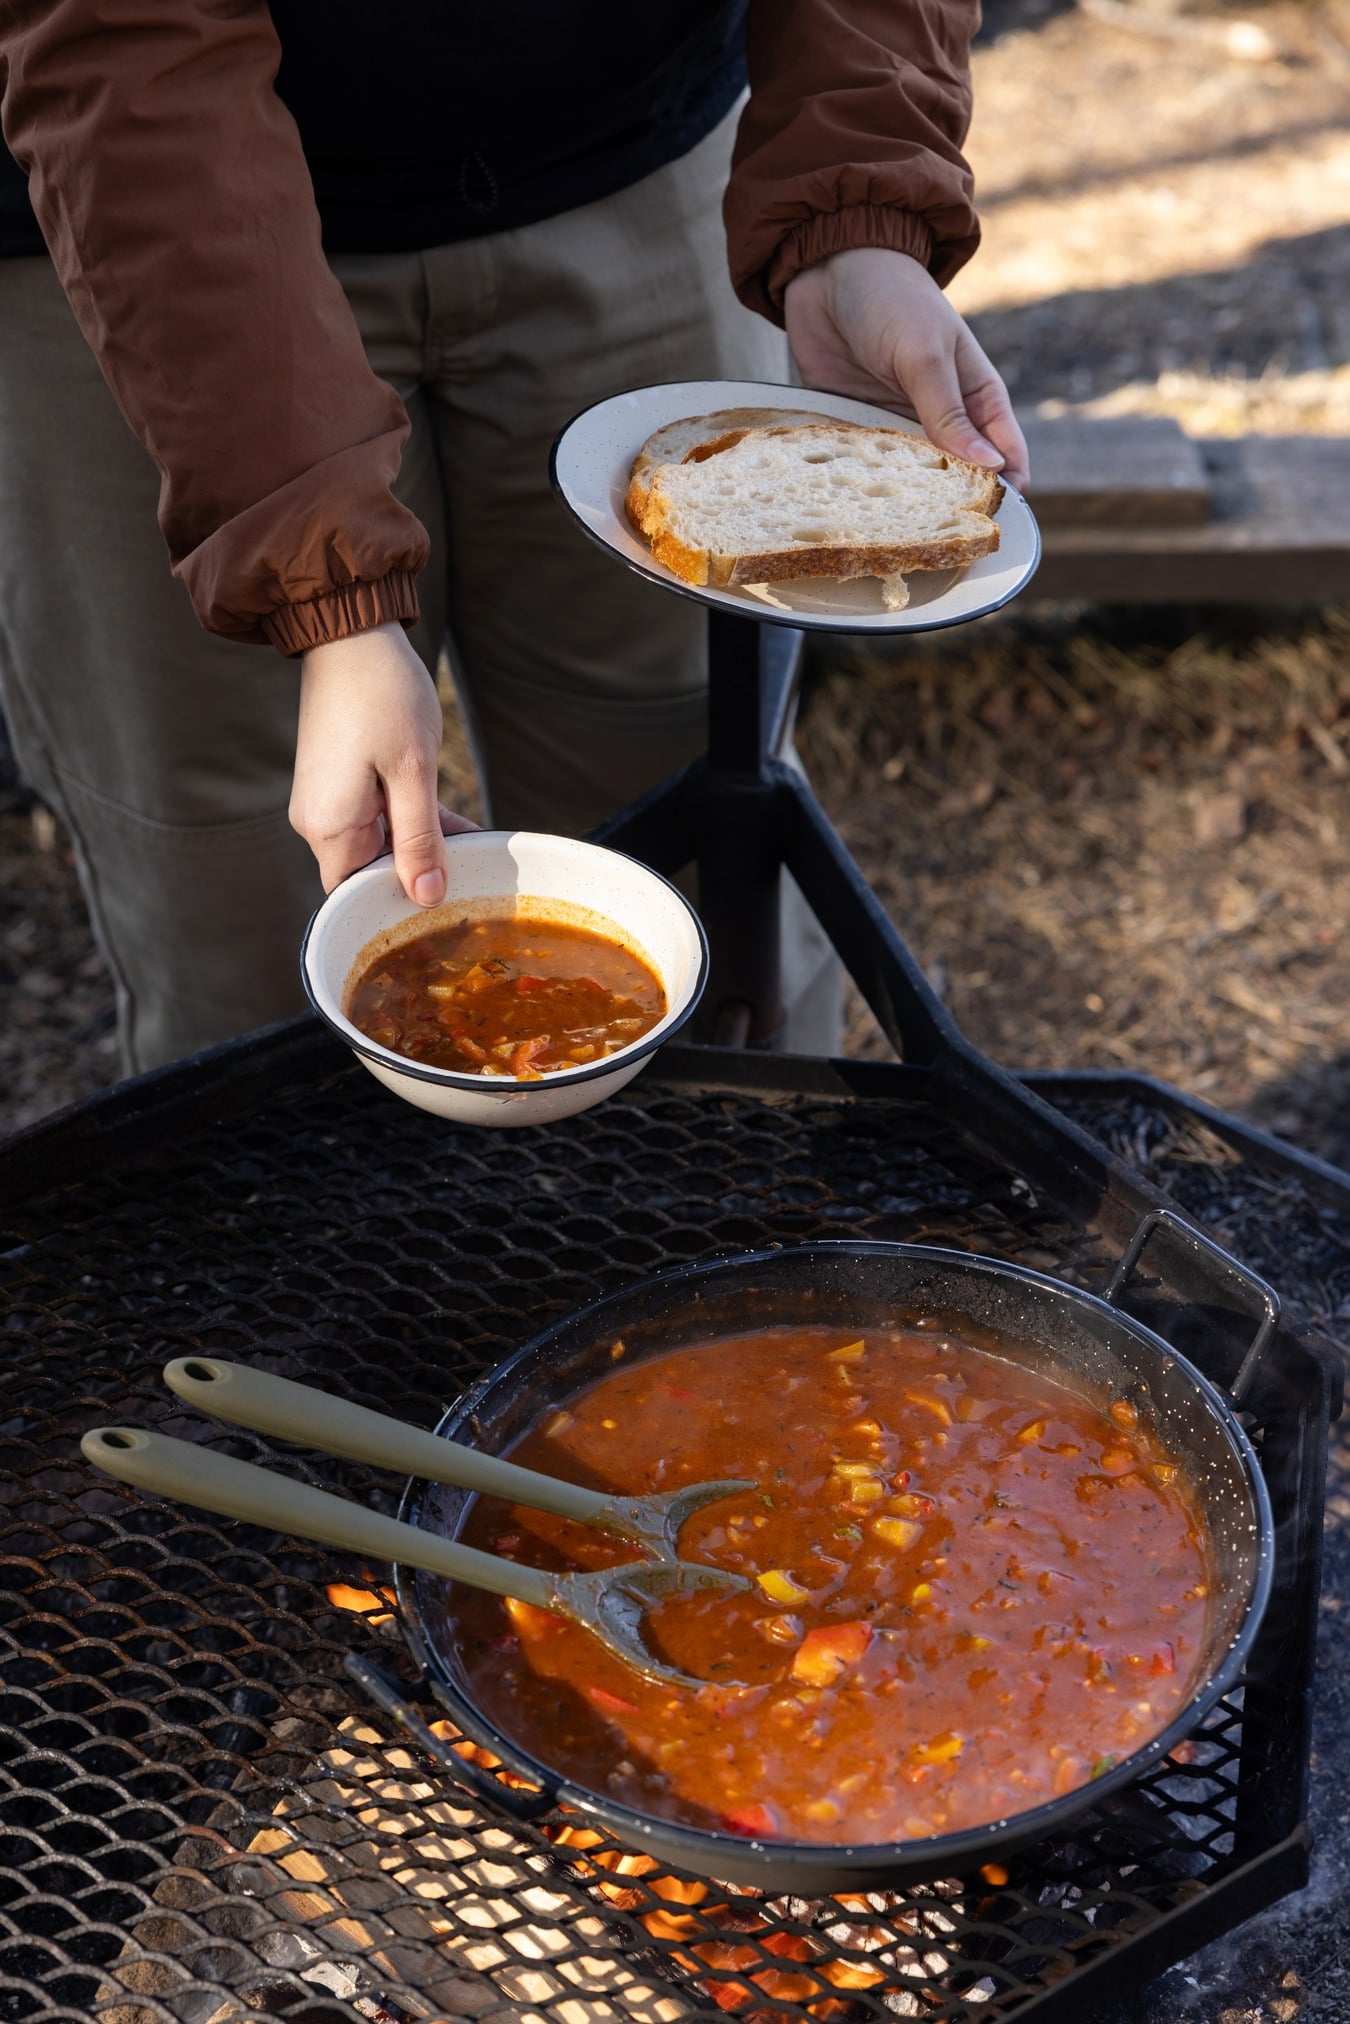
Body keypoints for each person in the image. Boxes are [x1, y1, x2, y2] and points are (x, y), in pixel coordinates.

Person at [0, 2, 1027, 1074]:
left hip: (631, 155)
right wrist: (323, 595)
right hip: (155, 215)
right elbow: (124, 39)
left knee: (693, 850)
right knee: (250, 913)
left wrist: (858, 202)